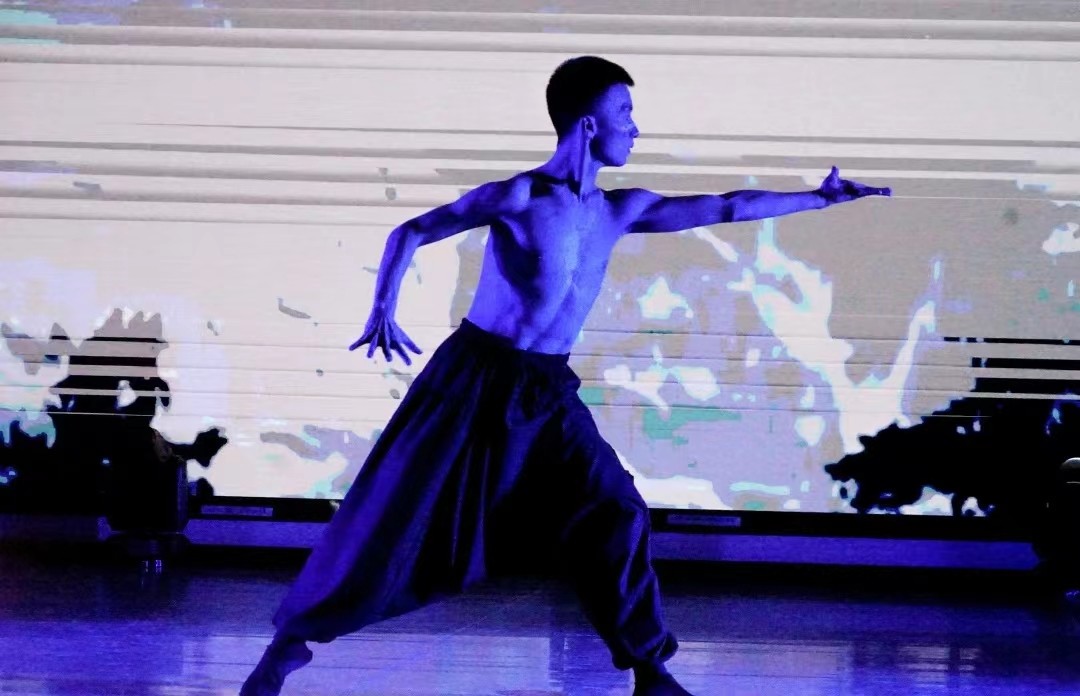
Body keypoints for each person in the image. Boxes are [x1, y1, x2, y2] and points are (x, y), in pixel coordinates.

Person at [240, 55, 890, 696]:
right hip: (475, 378)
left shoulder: (619, 210)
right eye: (625, 112)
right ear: (588, 124)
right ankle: (289, 644)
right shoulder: (520, 197)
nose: (635, 127)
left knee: (616, 506)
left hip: (546, 387)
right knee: (395, 519)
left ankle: (651, 671)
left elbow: (726, 207)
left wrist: (819, 198)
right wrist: (383, 308)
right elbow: (412, 231)